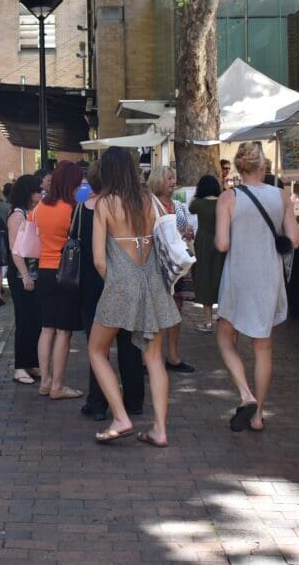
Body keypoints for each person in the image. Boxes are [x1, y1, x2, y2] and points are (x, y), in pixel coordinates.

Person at [88, 147, 181, 446]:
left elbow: (99, 261)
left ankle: (120, 416)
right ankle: (160, 430)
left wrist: (117, 287)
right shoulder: (149, 200)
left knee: (97, 351)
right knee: (154, 358)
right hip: (152, 281)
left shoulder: (105, 204)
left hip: (120, 283)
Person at [215, 142, 299, 433]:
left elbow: (222, 244)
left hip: (239, 273)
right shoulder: (281, 196)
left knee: (226, 337)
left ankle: (245, 393)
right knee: (263, 346)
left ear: (239, 169)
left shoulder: (228, 197)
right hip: (269, 275)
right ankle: (258, 415)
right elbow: (295, 241)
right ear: (263, 167)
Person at [78, 160, 144, 422]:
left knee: (98, 347)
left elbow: (95, 256)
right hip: (126, 280)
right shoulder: (132, 206)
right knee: (130, 342)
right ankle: (134, 399)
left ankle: (97, 402)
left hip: (94, 284)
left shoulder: (83, 208)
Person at [32, 161, 85, 400]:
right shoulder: (73, 208)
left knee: (46, 328)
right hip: (67, 272)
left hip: (44, 270)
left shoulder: (40, 207)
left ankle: (44, 381)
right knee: (64, 332)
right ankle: (58, 385)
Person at [148, 166, 196, 374]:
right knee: (155, 312)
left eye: (173, 178)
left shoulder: (178, 206)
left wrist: (187, 233)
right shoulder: (148, 205)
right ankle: (151, 357)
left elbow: (185, 234)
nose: (173, 182)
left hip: (177, 266)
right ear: (158, 180)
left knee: (176, 310)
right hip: (157, 265)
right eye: (169, 178)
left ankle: (173, 356)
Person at [7, 175, 42, 385]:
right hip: (22, 273)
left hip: (29, 272)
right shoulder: (18, 216)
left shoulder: (28, 213)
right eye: (37, 190)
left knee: (33, 320)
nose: (40, 194)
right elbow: (16, 249)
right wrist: (25, 275)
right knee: (24, 320)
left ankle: (30, 362)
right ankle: (20, 366)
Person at [189, 175, 225, 332]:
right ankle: (222, 315)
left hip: (203, 242)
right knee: (221, 275)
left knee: (204, 277)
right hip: (221, 240)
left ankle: (208, 322)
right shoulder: (222, 202)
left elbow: (190, 208)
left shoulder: (198, 203)